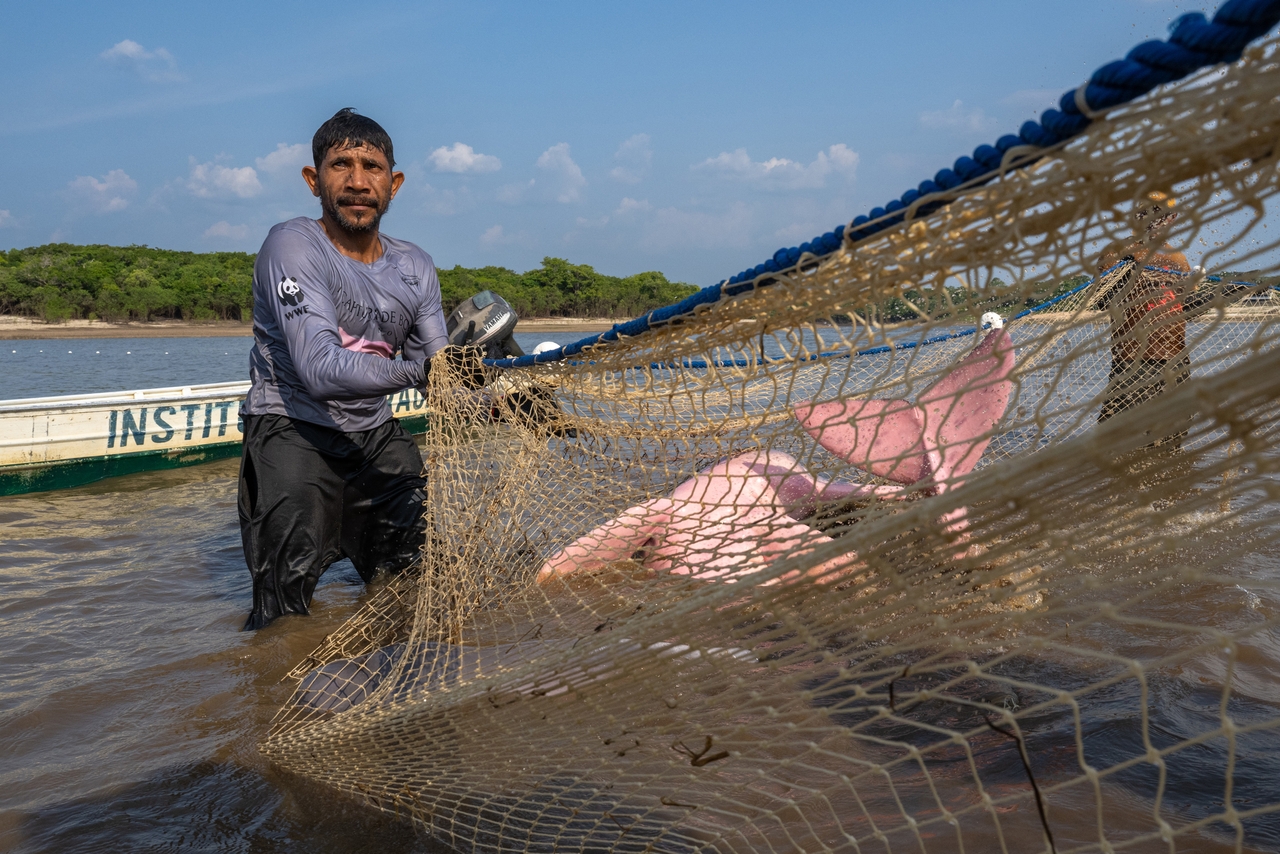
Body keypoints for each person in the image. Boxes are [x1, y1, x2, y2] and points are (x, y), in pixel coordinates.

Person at [238, 108, 461, 630]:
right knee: (281, 620)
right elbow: (319, 369)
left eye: (373, 167)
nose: (358, 181)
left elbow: (444, 372)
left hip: (375, 437)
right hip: (292, 429)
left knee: (421, 587)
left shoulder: (415, 266)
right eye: (341, 165)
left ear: (395, 183)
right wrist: (426, 373)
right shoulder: (291, 246)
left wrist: (500, 400)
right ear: (313, 180)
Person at [1091, 193, 1255, 449]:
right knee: (1118, 446)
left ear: (1173, 219)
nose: (1153, 219)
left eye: (1161, 213)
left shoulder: (1178, 260)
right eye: (1146, 211)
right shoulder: (1115, 252)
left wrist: (1227, 292)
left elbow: (1186, 308)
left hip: (1176, 366)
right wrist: (1127, 275)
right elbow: (1101, 300)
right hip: (1133, 363)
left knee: (1169, 445)